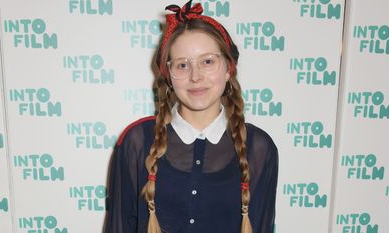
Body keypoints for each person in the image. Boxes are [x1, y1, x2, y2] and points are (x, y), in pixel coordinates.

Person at [104, 1, 278, 233]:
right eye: (182, 65)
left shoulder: (259, 147)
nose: (195, 76)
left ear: (229, 68)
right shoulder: (137, 141)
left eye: (208, 61)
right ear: (168, 75)